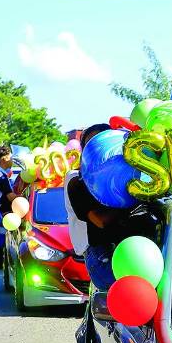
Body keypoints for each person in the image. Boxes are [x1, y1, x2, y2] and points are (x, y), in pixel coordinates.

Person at [65, 124, 128, 291]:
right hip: (103, 254)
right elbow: (99, 220)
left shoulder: (127, 175)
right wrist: (129, 199)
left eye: (105, 139)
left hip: (131, 250)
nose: (101, 147)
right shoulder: (77, 183)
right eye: (93, 143)